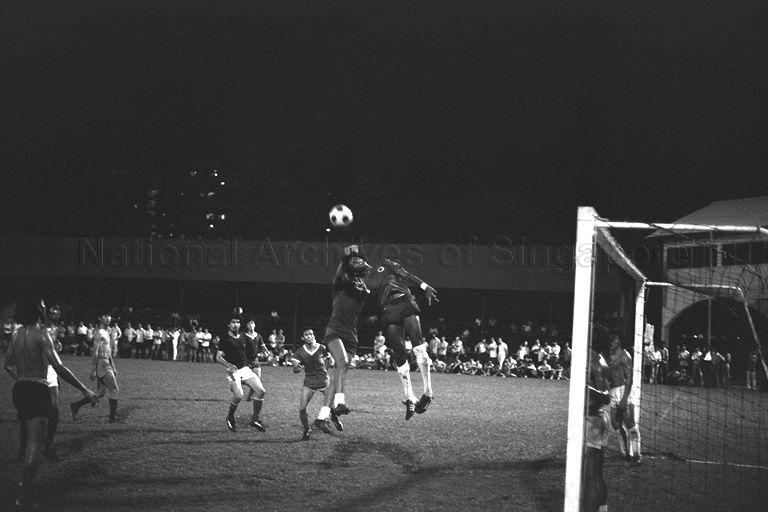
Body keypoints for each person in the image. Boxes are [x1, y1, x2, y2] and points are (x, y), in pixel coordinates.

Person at [5, 298, 97, 510]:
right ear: (38, 311)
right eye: (43, 308)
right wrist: (84, 389)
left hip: (20, 388)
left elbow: (7, 365)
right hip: (37, 389)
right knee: (36, 445)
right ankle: (25, 495)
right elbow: (59, 366)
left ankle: (25, 485)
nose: (46, 310)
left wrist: (22, 380)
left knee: (30, 442)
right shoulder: (41, 334)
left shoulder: (17, 334)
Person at [363, 256, 438, 420]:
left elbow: (406, 274)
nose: (361, 263)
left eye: (361, 260)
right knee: (399, 355)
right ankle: (409, 397)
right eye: (355, 262)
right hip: (387, 310)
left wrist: (425, 287)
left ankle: (428, 393)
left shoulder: (385, 263)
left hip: (404, 301)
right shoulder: (363, 281)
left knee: (419, 348)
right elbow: (363, 301)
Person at [322, 245, 373, 421]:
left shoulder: (363, 286)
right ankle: (340, 402)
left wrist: (360, 261)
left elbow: (368, 274)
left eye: (359, 260)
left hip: (351, 334)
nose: (357, 261)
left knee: (340, 372)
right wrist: (348, 255)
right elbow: (343, 266)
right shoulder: (341, 279)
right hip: (335, 329)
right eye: (354, 260)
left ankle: (323, 416)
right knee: (342, 362)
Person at [216, 314, 266, 432]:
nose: (236, 324)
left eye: (238, 322)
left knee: (261, 391)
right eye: (233, 322)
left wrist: (261, 357)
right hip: (233, 371)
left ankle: (255, 420)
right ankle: (230, 417)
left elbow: (252, 349)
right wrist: (228, 365)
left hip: (245, 369)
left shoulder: (243, 336)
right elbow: (218, 357)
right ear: (228, 324)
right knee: (238, 396)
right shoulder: (225, 338)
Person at [291, 328, 343, 439]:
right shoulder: (300, 352)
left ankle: (334, 419)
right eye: (306, 335)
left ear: (314, 336)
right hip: (309, 382)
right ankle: (307, 429)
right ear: (303, 338)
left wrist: (327, 366)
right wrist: (297, 367)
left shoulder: (322, 348)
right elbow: (295, 369)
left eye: (311, 334)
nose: (309, 336)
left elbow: (330, 361)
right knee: (302, 409)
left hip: (324, 381)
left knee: (332, 407)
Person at [70, 310, 121, 423]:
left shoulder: (107, 331)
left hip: (106, 363)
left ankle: (76, 405)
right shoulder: (99, 333)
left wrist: (113, 366)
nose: (108, 318)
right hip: (102, 364)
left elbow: (108, 351)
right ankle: (112, 418)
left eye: (109, 315)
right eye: (105, 315)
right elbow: (96, 352)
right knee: (114, 390)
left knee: (101, 393)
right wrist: (93, 370)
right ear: (99, 318)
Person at [583, 324, 612, 512]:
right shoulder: (597, 359)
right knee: (595, 472)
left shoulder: (596, 363)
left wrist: (584, 386)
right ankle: (602, 509)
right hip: (596, 418)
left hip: (595, 419)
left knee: (592, 473)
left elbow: (605, 396)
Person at [606, 329, 641, 464]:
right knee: (615, 424)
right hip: (613, 391)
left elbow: (630, 378)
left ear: (619, 341)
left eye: (614, 340)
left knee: (630, 424)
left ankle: (637, 455)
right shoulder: (609, 355)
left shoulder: (625, 356)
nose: (611, 342)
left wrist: (625, 398)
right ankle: (624, 453)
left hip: (624, 390)